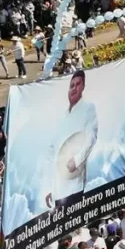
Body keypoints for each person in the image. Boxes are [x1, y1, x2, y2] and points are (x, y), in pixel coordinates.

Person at [44, 69, 98, 210]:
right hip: (57, 185)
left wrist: (77, 159)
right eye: (71, 85)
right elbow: (52, 150)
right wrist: (50, 187)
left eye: (78, 84)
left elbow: (91, 137)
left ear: (83, 87)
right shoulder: (62, 115)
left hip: (74, 183)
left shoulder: (88, 108)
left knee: (73, 224)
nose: (74, 88)